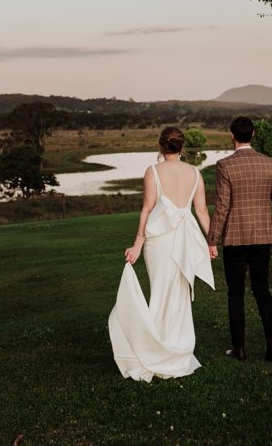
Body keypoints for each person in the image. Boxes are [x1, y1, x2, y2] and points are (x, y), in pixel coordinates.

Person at [107, 126, 217, 382]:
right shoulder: (195, 173)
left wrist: (137, 243)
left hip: (158, 243)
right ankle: (173, 351)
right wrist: (211, 241)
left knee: (161, 292)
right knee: (176, 294)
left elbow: (147, 209)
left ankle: (159, 350)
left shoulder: (153, 171)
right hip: (185, 240)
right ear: (182, 146)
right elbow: (201, 212)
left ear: (160, 146)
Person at [206, 116, 272, 363]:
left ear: (231, 135)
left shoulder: (225, 165)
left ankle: (239, 349)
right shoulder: (269, 163)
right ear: (253, 134)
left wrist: (213, 239)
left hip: (235, 237)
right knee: (262, 289)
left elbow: (222, 207)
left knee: (236, 293)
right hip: (263, 235)